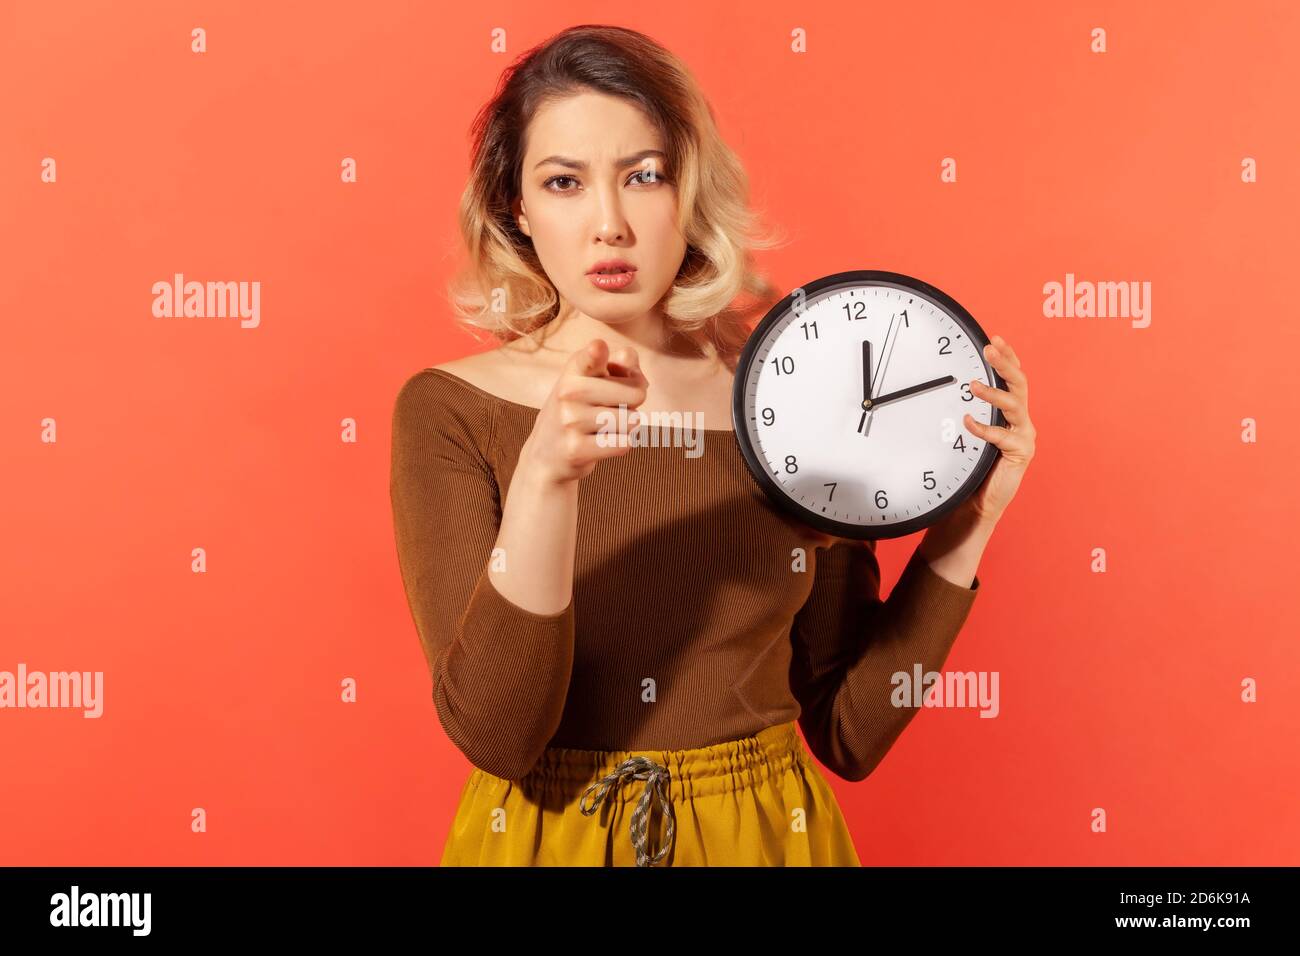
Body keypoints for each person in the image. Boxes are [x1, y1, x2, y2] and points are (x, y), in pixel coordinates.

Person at [389, 25, 1036, 866]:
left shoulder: (788, 396)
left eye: (644, 176)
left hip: (766, 839)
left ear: (689, 193)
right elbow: (501, 736)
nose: (609, 224)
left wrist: (967, 524)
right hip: (548, 841)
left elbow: (849, 730)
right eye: (564, 183)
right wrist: (548, 476)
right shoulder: (451, 410)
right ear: (517, 207)